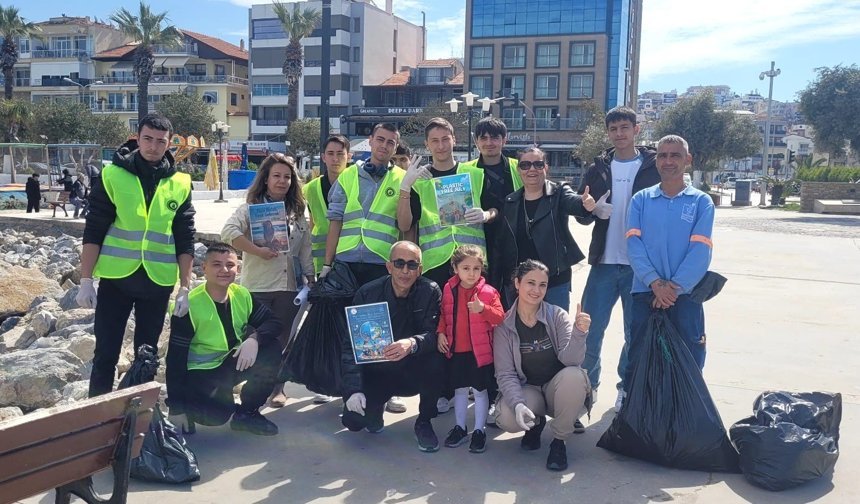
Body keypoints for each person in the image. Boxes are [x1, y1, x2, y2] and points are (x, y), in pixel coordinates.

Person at [76, 113, 195, 398]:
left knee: (147, 354)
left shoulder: (180, 182)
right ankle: (98, 414)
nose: (153, 146)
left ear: (169, 144)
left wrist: (186, 286)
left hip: (157, 281)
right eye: (148, 139)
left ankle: (140, 414)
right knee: (105, 352)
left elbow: (185, 235)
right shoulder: (113, 175)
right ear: (137, 138)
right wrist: (85, 279)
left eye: (160, 141)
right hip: (117, 278)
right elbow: (95, 228)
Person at [576, 106, 660, 412]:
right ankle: (587, 388)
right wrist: (589, 209)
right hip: (604, 262)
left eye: (625, 127)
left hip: (640, 267)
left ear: (636, 130)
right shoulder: (598, 167)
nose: (619, 134)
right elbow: (582, 214)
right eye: (614, 129)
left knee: (634, 332)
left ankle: (626, 389)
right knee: (589, 329)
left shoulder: (653, 166)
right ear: (608, 133)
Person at [221, 153, 314, 408]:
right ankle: (250, 390)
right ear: (265, 179)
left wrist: (311, 277)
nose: (282, 181)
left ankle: (277, 388)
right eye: (276, 176)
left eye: (287, 177)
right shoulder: (250, 209)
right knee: (254, 339)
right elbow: (228, 232)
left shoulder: (297, 212)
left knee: (283, 340)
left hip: (289, 288)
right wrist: (256, 250)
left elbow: (304, 246)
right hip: (258, 287)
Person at [625, 135, 715, 389]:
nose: (668, 161)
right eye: (662, 155)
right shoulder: (641, 200)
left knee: (689, 356)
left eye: (675, 155)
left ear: (688, 159)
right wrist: (654, 282)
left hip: (684, 296)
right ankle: (636, 413)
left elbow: (701, 249)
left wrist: (673, 287)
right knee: (640, 356)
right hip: (645, 293)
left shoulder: (701, 202)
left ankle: (684, 416)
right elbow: (633, 245)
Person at [166, 243, 283, 436]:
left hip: (228, 363)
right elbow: (175, 359)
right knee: (216, 415)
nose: (224, 270)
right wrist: (176, 408)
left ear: (238, 268)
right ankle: (189, 409)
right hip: (200, 373)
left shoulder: (241, 294)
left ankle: (247, 414)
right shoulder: (189, 306)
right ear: (204, 268)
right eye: (217, 265)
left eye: (230, 265)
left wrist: (255, 339)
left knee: (270, 349)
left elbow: (274, 322)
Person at [340, 241, 445, 453]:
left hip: (413, 368)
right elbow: (351, 345)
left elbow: (434, 334)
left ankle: (424, 421)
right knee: (353, 421)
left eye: (412, 265)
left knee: (437, 359)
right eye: (399, 264)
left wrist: (412, 343)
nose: (405, 271)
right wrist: (354, 390)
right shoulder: (367, 293)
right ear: (389, 267)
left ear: (420, 269)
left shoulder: (430, 291)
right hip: (379, 370)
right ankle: (375, 409)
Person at [493, 259, 591, 471]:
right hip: (530, 391)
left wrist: (579, 333)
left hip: (557, 391)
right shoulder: (503, 326)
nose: (536, 290)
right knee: (508, 417)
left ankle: (559, 442)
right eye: (530, 283)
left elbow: (571, 361)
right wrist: (518, 404)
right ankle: (535, 424)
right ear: (517, 283)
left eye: (542, 284)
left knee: (574, 376)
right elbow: (506, 373)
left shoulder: (557, 315)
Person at [497, 147, 596, 312]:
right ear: (519, 169)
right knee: (523, 333)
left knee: (556, 332)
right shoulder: (510, 202)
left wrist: (585, 205)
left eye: (538, 164)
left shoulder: (558, 193)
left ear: (546, 167)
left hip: (555, 279)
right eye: (526, 165)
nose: (532, 169)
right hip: (522, 282)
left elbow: (574, 202)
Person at [397, 117, 490, 288]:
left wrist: (486, 215)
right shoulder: (420, 182)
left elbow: (496, 210)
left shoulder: (475, 175)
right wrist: (405, 187)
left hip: (472, 263)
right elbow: (404, 226)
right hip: (435, 264)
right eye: (435, 141)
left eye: (445, 139)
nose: (441, 146)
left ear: (454, 139)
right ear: (427, 144)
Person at [436, 245, 503, 453]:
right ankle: (460, 427)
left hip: (480, 353)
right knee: (460, 390)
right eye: (466, 268)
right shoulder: (448, 288)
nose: (471, 273)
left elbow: (500, 317)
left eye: (476, 268)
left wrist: (483, 309)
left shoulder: (488, 292)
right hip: (457, 350)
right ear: (455, 268)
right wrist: (440, 333)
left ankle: (479, 431)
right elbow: (443, 315)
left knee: (481, 392)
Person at [303, 135, 353, 405]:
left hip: (348, 259)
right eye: (330, 153)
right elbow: (309, 223)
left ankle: (355, 382)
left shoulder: (355, 181)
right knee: (324, 324)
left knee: (350, 324)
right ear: (323, 156)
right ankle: (326, 380)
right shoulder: (311, 188)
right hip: (321, 262)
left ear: (348, 156)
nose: (335, 159)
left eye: (340, 154)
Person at [323, 123, 406, 286]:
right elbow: (335, 221)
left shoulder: (403, 178)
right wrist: (327, 264)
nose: (384, 145)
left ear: (395, 148)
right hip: (345, 261)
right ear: (370, 141)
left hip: (381, 263)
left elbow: (406, 226)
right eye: (380, 140)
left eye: (390, 142)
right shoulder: (348, 175)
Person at [460, 116, 523, 291]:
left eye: (494, 137)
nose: (489, 142)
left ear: (504, 140)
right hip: (480, 242)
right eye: (483, 138)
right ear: (476, 141)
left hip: (515, 240)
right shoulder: (465, 170)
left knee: (514, 292)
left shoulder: (519, 168)